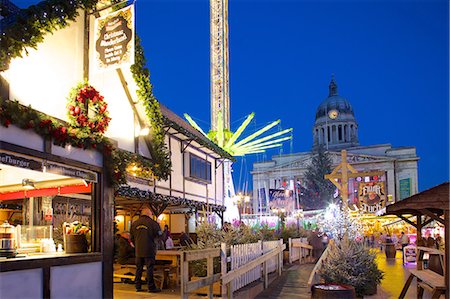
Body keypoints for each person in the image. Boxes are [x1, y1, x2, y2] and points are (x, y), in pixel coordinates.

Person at [130, 206, 162, 293]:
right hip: (149, 250)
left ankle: (138, 286)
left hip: (138, 250)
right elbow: (160, 235)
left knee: (139, 269)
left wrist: (136, 244)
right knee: (149, 269)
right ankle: (151, 287)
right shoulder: (153, 223)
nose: (152, 215)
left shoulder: (134, 224)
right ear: (148, 214)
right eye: (151, 213)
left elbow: (131, 238)